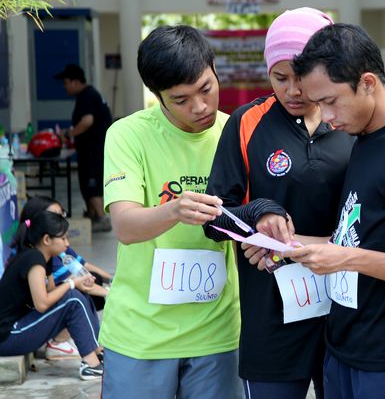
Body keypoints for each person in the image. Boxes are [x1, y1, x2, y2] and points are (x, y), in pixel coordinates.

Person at [283, 23, 385, 399]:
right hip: (342, 349)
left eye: (331, 100)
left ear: (368, 83)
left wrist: (345, 258)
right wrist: (287, 245)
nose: (326, 116)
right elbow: (355, 240)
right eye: (319, 104)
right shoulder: (360, 139)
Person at [203, 8, 354, 399]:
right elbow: (213, 221)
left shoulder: (350, 123)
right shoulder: (246, 123)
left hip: (344, 313)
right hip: (271, 318)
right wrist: (258, 211)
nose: (292, 91)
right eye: (279, 78)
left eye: (301, 77)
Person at [99, 25, 242, 399]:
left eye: (206, 89)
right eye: (181, 100)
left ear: (215, 70)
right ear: (157, 96)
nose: (200, 106)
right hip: (140, 334)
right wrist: (175, 209)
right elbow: (125, 226)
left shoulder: (237, 132)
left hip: (217, 332)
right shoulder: (127, 135)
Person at [0, 211, 103, 380]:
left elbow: (52, 293)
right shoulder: (33, 259)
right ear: (47, 239)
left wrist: (75, 283)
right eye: (63, 238)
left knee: (77, 295)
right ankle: (91, 365)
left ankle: (98, 353)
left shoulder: (42, 258)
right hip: (8, 336)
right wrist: (71, 283)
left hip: (17, 330)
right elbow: (42, 304)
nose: (67, 243)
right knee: (73, 298)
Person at [54, 64, 113, 233]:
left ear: (75, 82)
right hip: (92, 149)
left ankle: (102, 218)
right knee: (87, 184)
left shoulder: (87, 96)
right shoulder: (88, 94)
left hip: (93, 150)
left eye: (66, 83)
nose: (64, 87)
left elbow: (87, 121)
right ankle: (92, 216)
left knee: (91, 184)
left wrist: (69, 134)